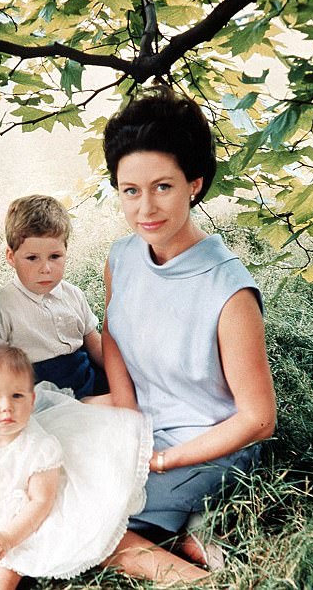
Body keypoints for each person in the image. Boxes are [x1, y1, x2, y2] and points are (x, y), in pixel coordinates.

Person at [100, 85, 277, 570]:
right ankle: (191, 533)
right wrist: (127, 419)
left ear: (194, 183)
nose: (145, 209)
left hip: (210, 447)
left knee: (91, 530)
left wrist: (161, 462)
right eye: (130, 191)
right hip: (142, 432)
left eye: (163, 187)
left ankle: (188, 576)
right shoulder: (122, 257)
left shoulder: (229, 291)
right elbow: (111, 332)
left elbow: (259, 419)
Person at [0, 345, 157, 588]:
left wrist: (8, 538)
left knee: (3, 573)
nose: (6, 407)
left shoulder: (41, 447)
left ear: (32, 401)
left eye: (17, 396)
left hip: (11, 523)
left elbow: (40, 501)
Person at [0, 195, 107, 401]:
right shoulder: (5, 304)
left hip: (84, 375)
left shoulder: (72, 294)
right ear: (11, 257)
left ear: (65, 252)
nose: (45, 269)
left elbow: (95, 345)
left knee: (131, 399)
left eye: (55, 257)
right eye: (32, 258)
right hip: (40, 391)